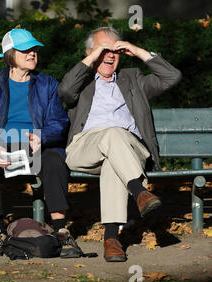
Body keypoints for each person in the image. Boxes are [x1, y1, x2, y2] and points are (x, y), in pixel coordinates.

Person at [58, 26, 182, 262]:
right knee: (111, 135)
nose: (110, 55)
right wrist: (93, 56)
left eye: (115, 50)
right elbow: (64, 91)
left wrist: (136, 51)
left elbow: (172, 76)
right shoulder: (81, 83)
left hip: (130, 148)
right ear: (90, 53)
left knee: (113, 158)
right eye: (103, 50)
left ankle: (111, 238)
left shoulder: (133, 79)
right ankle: (139, 191)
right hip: (85, 148)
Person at [0, 29, 70, 258]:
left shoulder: (47, 84)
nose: (32, 54)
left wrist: (42, 136)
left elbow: (58, 121)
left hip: (36, 146)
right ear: (10, 55)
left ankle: (61, 230)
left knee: (54, 161)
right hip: (2, 145)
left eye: (34, 49)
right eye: (26, 50)